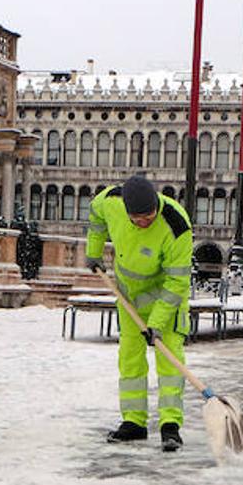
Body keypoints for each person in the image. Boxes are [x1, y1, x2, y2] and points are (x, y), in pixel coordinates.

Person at [85, 175, 193, 453]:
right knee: (130, 360)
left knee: (170, 364)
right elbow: (95, 214)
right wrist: (93, 251)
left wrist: (156, 323)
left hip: (165, 301)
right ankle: (134, 423)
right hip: (129, 298)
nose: (144, 222)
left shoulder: (176, 226)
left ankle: (170, 426)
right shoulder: (111, 202)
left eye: (149, 217)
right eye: (137, 219)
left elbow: (177, 283)